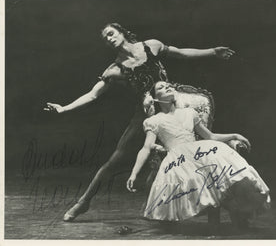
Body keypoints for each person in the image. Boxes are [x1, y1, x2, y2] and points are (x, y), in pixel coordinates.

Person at [44, 23, 236, 222]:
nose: (109, 38)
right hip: (145, 116)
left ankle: (226, 205)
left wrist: (213, 51)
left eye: (111, 33)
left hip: (173, 111)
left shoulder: (151, 46)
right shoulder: (115, 69)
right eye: (105, 38)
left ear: (122, 32)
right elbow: (93, 95)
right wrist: (64, 108)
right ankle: (83, 202)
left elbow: (181, 53)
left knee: (200, 155)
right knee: (115, 161)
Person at [126, 81, 271, 233]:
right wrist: (134, 173)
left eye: (168, 85)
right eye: (161, 88)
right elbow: (146, 148)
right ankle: (213, 222)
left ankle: (237, 213)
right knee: (197, 174)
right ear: (156, 98)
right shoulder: (154, 121)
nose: (167, 87)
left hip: (199, 150)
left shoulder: (189, 113)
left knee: (218, 163)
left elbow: (211, 136)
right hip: (178, 157)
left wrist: (234, 135)